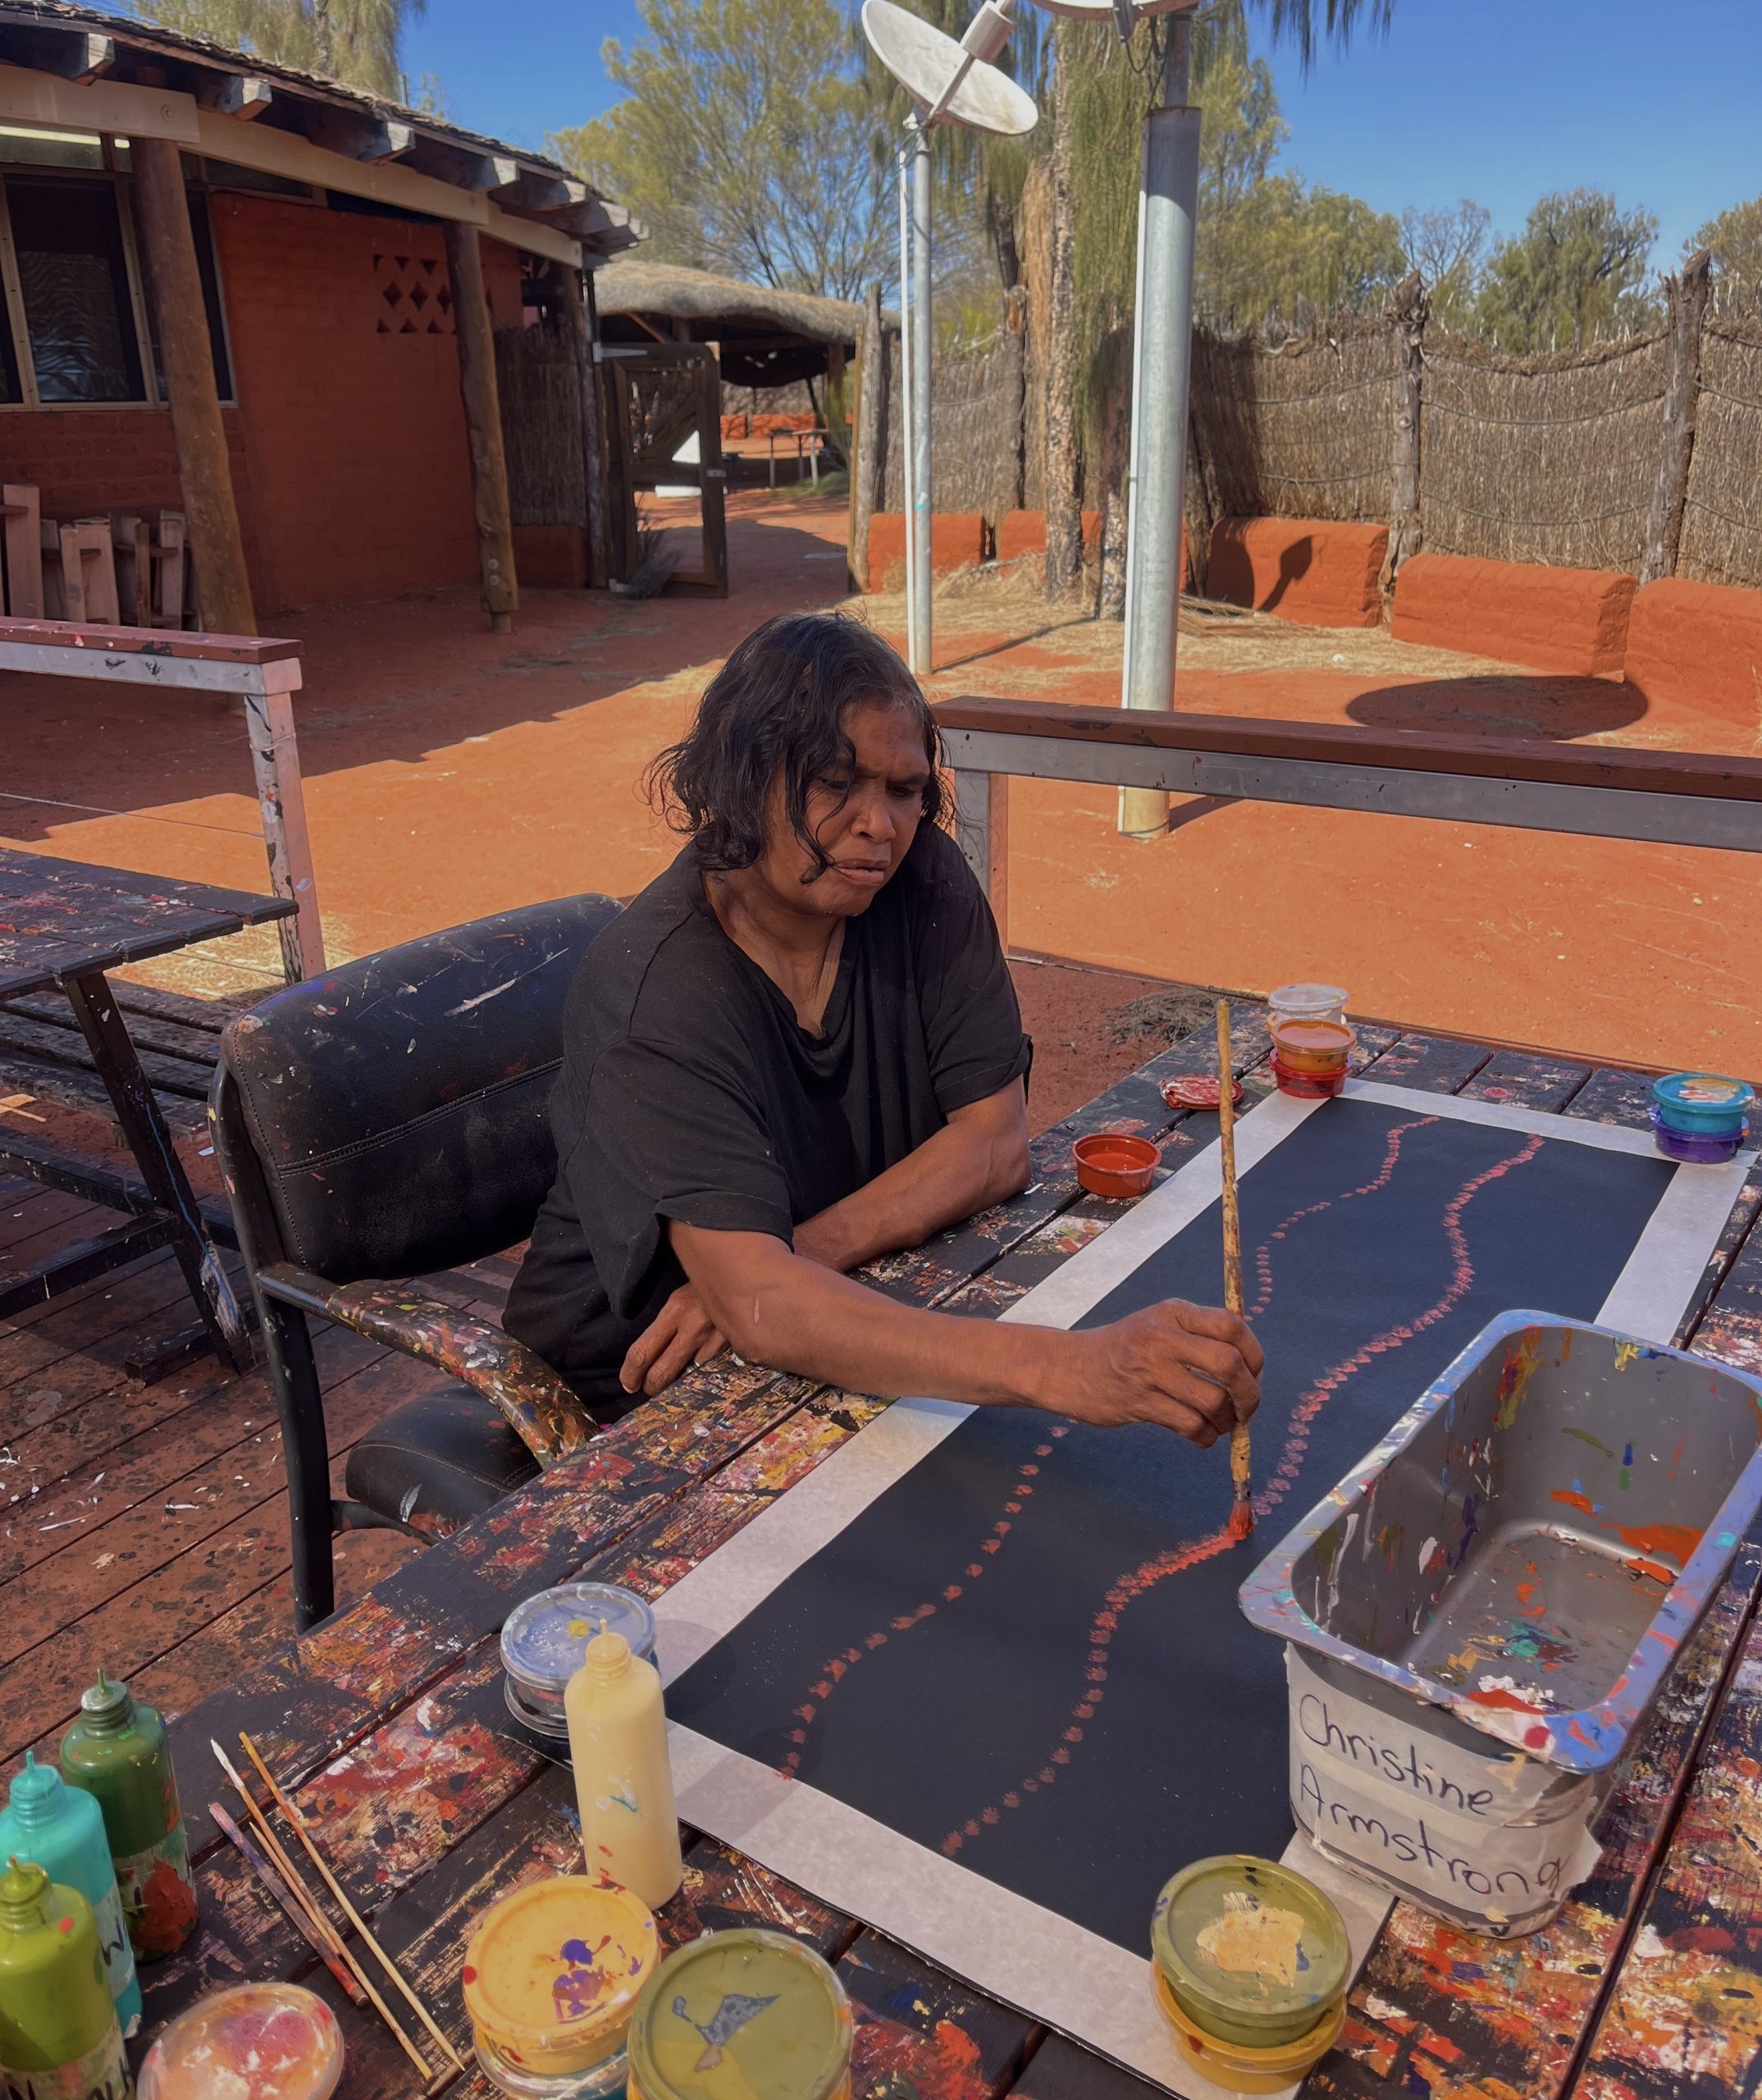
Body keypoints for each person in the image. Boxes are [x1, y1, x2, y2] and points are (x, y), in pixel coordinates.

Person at [504, 612, 1260, 1447]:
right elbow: (762, 1312)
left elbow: (995, 1142)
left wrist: (789, 1262)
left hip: (817, 1319)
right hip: (627, 1392)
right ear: (738, 777)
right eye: (836, 781)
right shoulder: (658, 989)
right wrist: (1063, 1368)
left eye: (904, 789)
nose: (882, 825)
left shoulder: (921, 882)